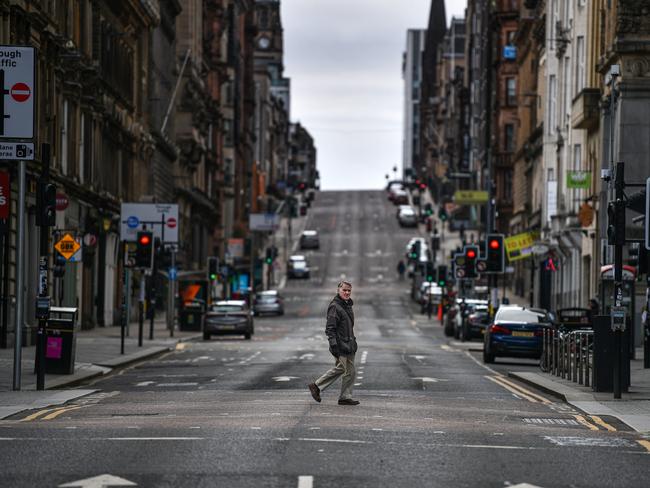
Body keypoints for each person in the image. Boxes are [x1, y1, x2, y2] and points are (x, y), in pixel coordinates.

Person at [308, 280, 359, 405]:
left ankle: (345, 397)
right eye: (344, 290)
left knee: (350, 372)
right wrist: (334, 344)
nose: (347, 292)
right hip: (340, 344)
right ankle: (316, 385)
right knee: (342, 368)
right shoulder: (335, 306)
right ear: (338, 290)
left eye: (349, 291)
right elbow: (330, 328)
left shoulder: (347, 305)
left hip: (350, 344)